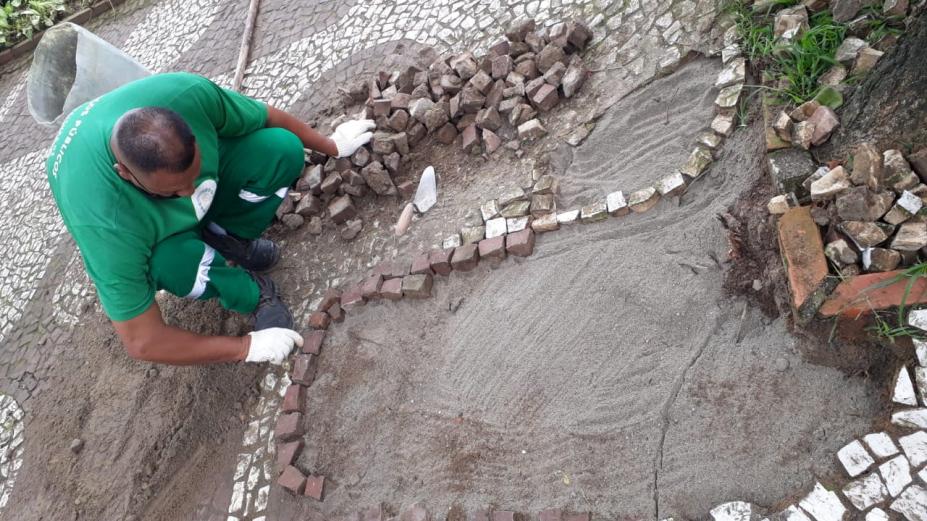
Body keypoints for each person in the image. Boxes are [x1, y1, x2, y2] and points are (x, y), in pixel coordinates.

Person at [46, 72, 374, 366]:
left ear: (191, 130)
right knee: (168, 262)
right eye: (173, 192)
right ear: (127, 176)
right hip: (124, 215)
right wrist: (244, 347)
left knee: (281, 149)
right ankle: (250, 292)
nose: (191, 194)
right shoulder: (105, 223)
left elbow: (267, 117)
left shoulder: (187, 94)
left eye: (194, 175)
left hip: (158, 148)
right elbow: (141, 340)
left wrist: (333, 145)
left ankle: (226, 238)